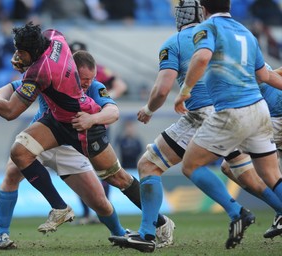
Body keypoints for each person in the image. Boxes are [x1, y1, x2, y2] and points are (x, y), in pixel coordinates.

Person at [0, 22, 172, 249]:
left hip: (81, 129)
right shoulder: (55, 38)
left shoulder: (42, 73)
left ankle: (157, 222)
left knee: (115, 182)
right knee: (18, 155)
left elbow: (11, 111)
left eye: (22, 52)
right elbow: (12, 88)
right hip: (53, 124)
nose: (84, 83)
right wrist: (18, 63)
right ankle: (47, 213)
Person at [110, 0, 277, 252]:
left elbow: (163, 89)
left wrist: (149, 109)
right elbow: (262, 75)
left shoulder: (178, 41)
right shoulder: (238, 32)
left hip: (205, 113)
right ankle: (275, 210)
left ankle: (148, 234)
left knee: (149, 165)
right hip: (245, 109)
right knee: (249, 175)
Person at [171, 0, 282, 249]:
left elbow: (201, 58)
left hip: (233, 110)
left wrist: (185, 91)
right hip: (259, 109)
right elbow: (264, 75)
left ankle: (237, 213)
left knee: (191, 165)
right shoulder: (246, 32)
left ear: (203, 8)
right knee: (272, 175)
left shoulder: (208, 28)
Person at [0, 50, 128, 249]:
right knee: (12, 173)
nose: (86, 83)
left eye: (90, 79)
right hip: (40, 138)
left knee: (99, 201)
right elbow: (10, 88)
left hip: (70, 148)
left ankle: (119, 233)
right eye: (83, 78)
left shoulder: (94, 87)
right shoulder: (48, 79)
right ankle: (2, 234)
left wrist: (94, 118)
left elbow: (112, 110)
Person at [220, 63, 282, 239]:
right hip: (272, 116)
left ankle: (280, 210)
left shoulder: (226, 55)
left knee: (233, 165)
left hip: (273, 118)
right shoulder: (247, 46)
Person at [69, 40, 128, 224]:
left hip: (97, 128)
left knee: (105, 170)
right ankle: (88, 213)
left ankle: (104, 209)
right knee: (80, 170)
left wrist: (104, 103)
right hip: (74, 128)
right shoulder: (64, 76)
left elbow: (121, 86)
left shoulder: (99, 72)